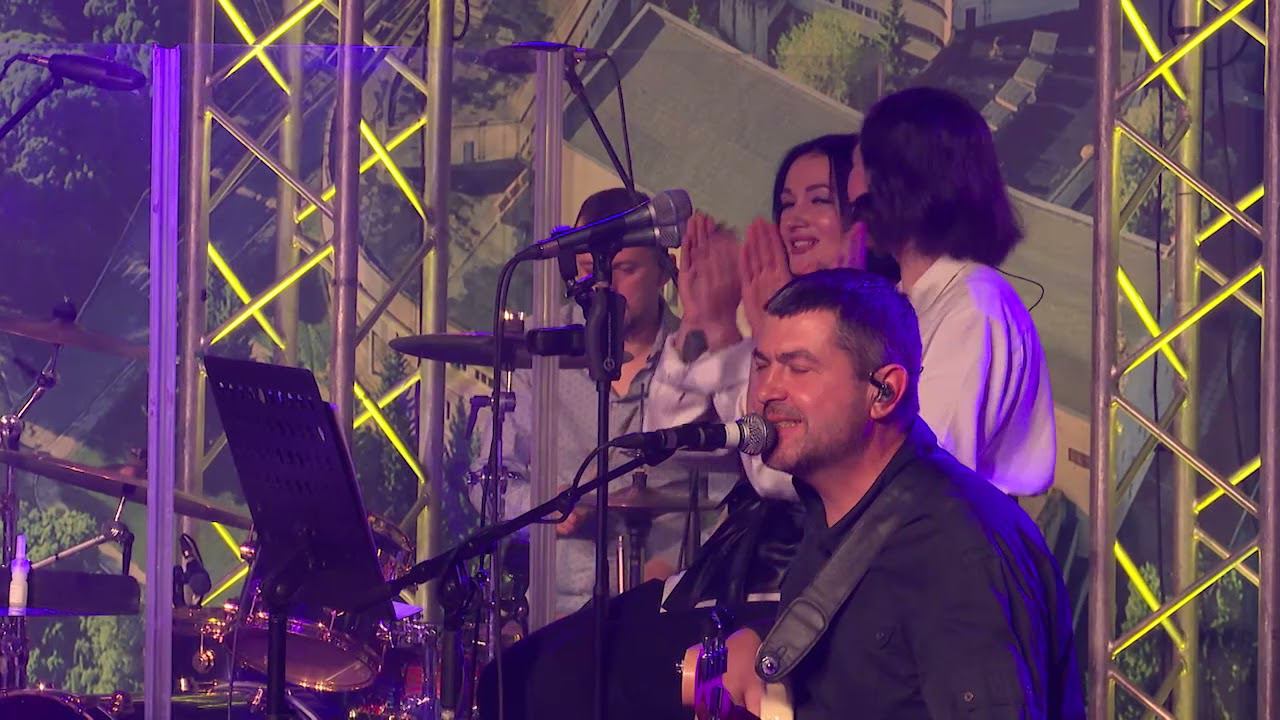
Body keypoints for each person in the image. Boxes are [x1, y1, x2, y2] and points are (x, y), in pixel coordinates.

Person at [476, 135, 867, 720]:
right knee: (520, 677)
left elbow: (770, 471)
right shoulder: (543, 357)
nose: (795, 220)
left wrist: (735, 333)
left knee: (564, 679)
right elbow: (678, 431)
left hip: (788, 592)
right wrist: (713, 325)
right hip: (607, 589)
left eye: (819, 200)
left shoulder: (869, 323)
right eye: (787, 203)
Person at [651, 86, 1056, 498]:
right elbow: (681, 449)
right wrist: (714, 325)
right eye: (787, 204)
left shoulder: (974, 309)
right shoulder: (907, 302)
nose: (854, 189)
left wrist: (759, 339)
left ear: (901, 182)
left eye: (827, 196)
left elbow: (903, 477)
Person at [711, 269, 1082, 719]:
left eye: (799, 368)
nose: (766, 391)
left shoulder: (956, 550)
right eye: (762, 365)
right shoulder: (830, 518)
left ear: (884, 392)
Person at [470, 187, 738, 617]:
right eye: (588, 270)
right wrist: (541, 505)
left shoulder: (700, 358)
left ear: (663, 271)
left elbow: (727, 505)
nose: (603, 286)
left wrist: (681, 570)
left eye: (624, 270)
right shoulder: (540, 350)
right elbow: (488, 481)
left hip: (664, 613)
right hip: (555, 613)